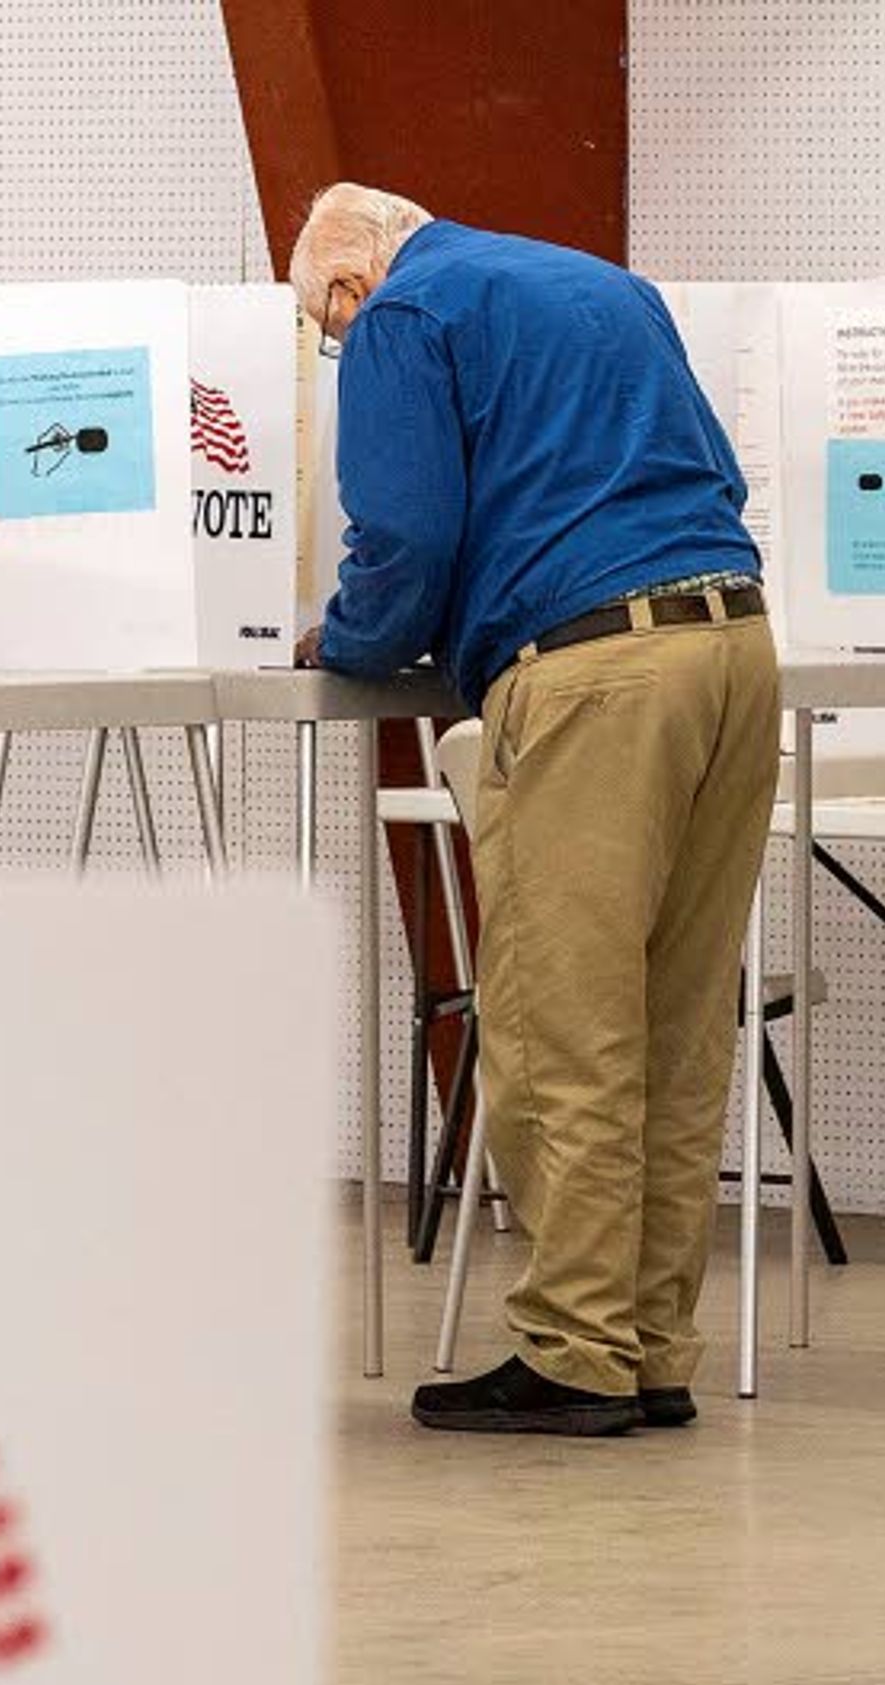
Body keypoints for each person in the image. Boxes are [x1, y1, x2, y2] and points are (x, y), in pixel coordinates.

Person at [291, 183, 781, 1439]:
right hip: (734, 650)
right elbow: (715, 472)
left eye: (324, 325)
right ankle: (647, 1347)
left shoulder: (405, 317)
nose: (340, 343)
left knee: (565, 1016)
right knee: (679, 1022)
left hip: (593, 675)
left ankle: (572, 1350)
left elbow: (402, 534)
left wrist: (344, 642)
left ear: (351, 285)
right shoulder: (607, 287)